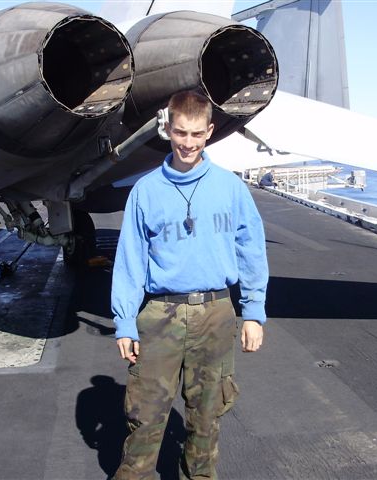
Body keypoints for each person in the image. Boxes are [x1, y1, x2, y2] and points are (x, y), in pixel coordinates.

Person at [111, 90, 269, 479]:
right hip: (160, 315)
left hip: (216, 314)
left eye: (197, 134)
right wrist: (125, 321)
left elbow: (251, 250)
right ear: (168, 129)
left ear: (210, 132)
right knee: (144, 419)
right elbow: (130, 261)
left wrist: (253, 313)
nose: (188, 143)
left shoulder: (230, 188)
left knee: (206, 419)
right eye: (180, 133)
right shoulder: (146, 191)